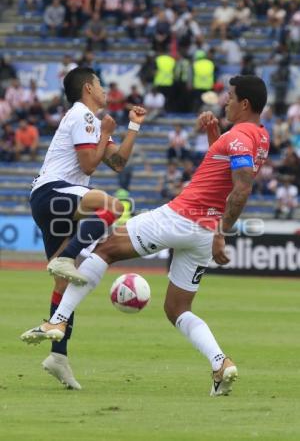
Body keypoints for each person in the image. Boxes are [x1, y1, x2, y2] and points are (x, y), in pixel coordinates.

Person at [21, 75, 269, 397]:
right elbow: (224, 174)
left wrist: (223, 231)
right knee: (177, 309)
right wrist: (213, 136)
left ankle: (58, 320)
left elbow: (242, 187)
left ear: (245, 104)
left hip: (183, 217)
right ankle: (220, 363)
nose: (226, 101)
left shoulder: (239, 137)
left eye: (231, 97)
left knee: (106, 247)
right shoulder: (257, 137)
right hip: (202, 236)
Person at [21, 66, 146, 389]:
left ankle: (57, 356)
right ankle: (68, 255)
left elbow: (116, 162)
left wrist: (133, 126)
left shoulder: (90, 122)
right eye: (101, 85)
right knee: (114, 207)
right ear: (89, 87)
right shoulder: (84, 116)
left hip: (49, 201)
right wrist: (105, 131)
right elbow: (88, 165)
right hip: (54, 193)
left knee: (64, 284)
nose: (105, 90)